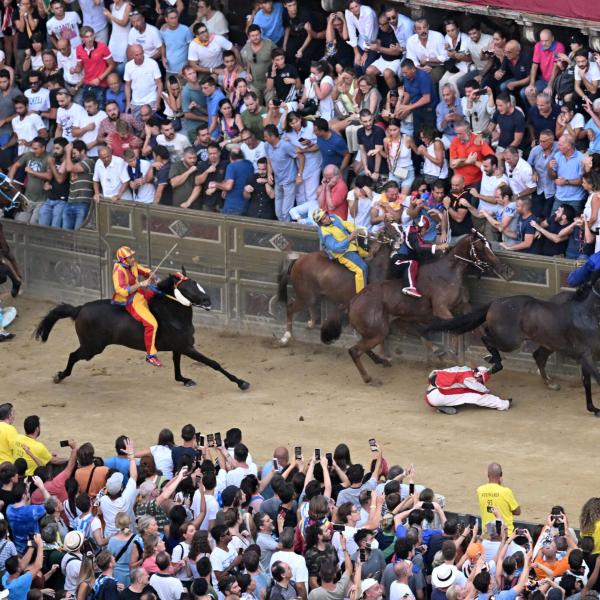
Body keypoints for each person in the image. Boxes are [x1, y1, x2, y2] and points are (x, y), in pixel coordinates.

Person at [111, 246, 161, 367]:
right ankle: (151, 355)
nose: (133, 259)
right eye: (130, 257)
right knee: (152, 324)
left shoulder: (132, 264)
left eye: (133, 256)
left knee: (160, 294)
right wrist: (140, 284)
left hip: (139, 292)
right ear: (124, 260)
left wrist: (154, 277)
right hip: (130, 300)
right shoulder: (119, 271)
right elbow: (122, 291)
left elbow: (144, 270)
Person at [313, 208, 368, 294]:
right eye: (323, 219)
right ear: (320, 223)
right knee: (362, 269)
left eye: (326, 215)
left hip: (352, 245)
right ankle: (361, 296)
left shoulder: (334, 217)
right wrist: (349, 239)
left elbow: (345, 224)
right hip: (342, 253)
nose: (327, 218)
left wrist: (353, 230)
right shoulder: (324, 232)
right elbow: (335, 248)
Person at [391, 215, 448, 298]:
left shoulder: (414, 235)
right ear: (423, 228)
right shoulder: (411, 231)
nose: (425, 233)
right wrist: (438, 247)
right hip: (397, 260)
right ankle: (409, 287)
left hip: (403, 259)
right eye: (426, 230)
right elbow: (420, 247)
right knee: (412, 263)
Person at [425, 365, 512, 415]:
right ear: (478, 375)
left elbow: (432, 376)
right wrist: (487, 391)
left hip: (432, 391)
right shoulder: (469, 378)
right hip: (437, 395)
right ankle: (503, 405)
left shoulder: (464, 370)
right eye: (481, 380)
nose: (481, 382)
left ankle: (441, 404)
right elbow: (481, 391)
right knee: (473, 395)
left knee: (462, 392)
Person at [476, 463, 521, 533]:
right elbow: (517, 511)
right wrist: (502, 486)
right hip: (504, 534)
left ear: (488, 475)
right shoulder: (505, 491)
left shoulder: (480, 490)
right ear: (501, 475)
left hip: (487, 535)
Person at [2, 533, 44, 600]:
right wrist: (40, 545)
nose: (22, 560)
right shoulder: (21, 582)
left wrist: (31, 545)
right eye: (20, 561)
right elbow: (38, 566)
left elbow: (22, 565)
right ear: (18, 569)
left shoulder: (5, 578)